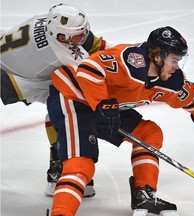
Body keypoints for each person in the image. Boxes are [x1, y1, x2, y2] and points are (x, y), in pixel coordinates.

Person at [47, 26, 194, 216]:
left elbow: (187, 96)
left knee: (149, 134)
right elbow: (88, 70)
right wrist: (102, 104)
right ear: (157, 56)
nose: (176, 67)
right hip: (73, 97)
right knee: (81, 166)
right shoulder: (130, 61)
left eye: (178, 61)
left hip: (106, 107)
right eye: (174, 60)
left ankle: (143, 194)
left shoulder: (169, 79)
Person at [0, 3, 111, 198]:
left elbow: (94, 45)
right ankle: (61, 166)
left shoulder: (54, 23)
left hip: (15, 58)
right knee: (67, 104)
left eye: (83, 31)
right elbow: (95, 75)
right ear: (60, 36)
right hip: (14, 78)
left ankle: (60, 163)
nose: (82, 37)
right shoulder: (59, 52)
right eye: (77, 36)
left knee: (62, 103)